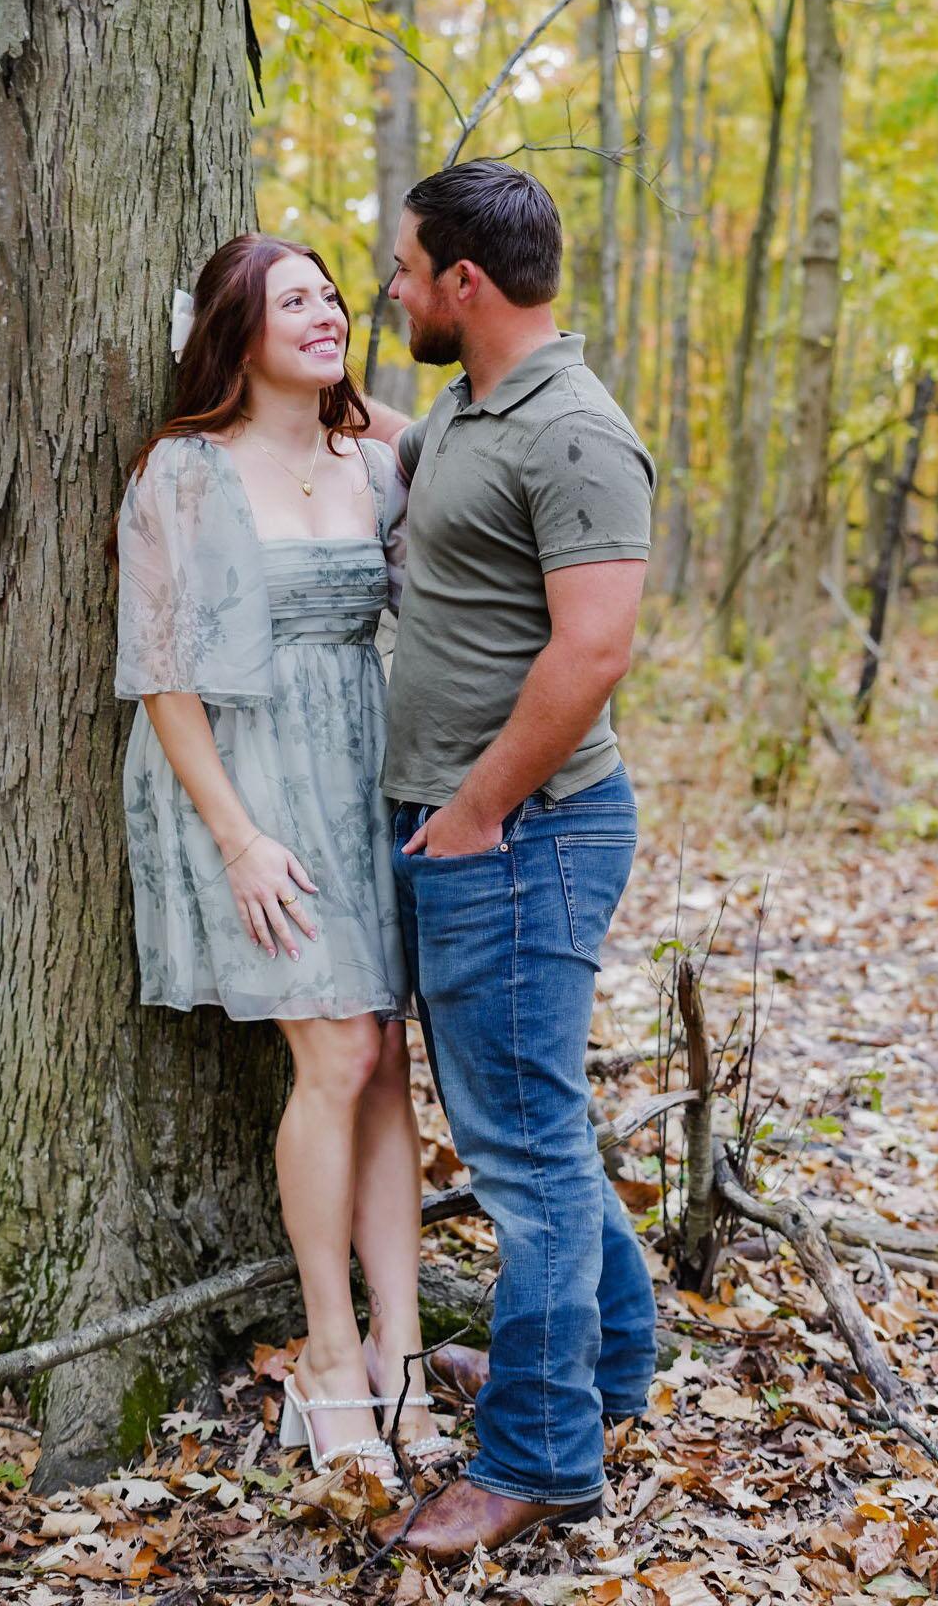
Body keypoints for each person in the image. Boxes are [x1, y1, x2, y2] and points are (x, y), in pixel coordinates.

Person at [112, 233, 456, 1481]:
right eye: (290, 300)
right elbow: (162, 675)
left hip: (365, 770)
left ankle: (401, 1351)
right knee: (339, 1053)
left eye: (329, 296)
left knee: (386, 1065)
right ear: (236, 333)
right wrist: (240, 836)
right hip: (244, 782)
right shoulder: (182, 472)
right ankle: (328, 1351)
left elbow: (451, 547)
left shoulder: (377, 458)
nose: (324, 314)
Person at [365, 159, 658, 1563]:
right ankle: (605, 1370)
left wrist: (478, 810)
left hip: (524, 834)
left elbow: (593, 648)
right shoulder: (470, 411)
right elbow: (412, 463)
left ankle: (540, 1456)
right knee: (541, 1130)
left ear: (464, 282)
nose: (393, 290)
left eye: (405, 269)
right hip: (473, 825)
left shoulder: (577, 433)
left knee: (523, 1158)